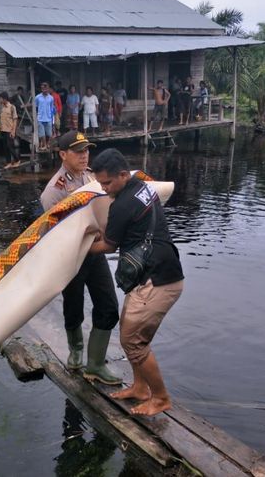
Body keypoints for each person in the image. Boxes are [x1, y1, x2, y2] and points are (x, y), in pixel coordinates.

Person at [89, 148, 184, 416]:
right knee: (133, 333)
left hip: (158, 280)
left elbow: (108, 245)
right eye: (100, 184)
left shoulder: (122, 204)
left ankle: (161, 398)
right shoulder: (142, 186)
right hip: (161, 272)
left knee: (132, 340)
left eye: (107, 183)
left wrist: (77, 249)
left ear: (122, 175)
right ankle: (140, 388)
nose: (105, 189)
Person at [40, 131, 120, 385]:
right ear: (63, 155)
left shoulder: (91, 176)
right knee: (73, 305)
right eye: (78, 151)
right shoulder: (54, 191)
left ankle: (95, 363)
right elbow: (56, 231)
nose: (85, 155)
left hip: (95, 253)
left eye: (86, 150)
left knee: (108, 305)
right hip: (71, 258)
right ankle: (76, 351)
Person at [0, 91, 21, 169]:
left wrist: (13, 131)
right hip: (3, 130)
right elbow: (2, 120)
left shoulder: (11, 107)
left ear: (4, 99)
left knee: (10, 146)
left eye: (0, 99)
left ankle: (17, 160)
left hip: (10, 130)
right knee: (5, 148)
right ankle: (9, 162)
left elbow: (15, 119)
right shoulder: (2, 108)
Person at [35, 82, 55, 152]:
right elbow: (36, 107)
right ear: (41, 89)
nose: (44, 90)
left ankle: (47, 144)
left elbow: (52, 108)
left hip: (48, 118)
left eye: (46, 89)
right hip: (40, 118)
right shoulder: (37, 97)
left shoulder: (51, 98)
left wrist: (53, 118)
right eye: (43, 89)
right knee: (42, 133)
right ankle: (44, 145)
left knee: (49, 134)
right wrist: (37, 115)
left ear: (48, 89)